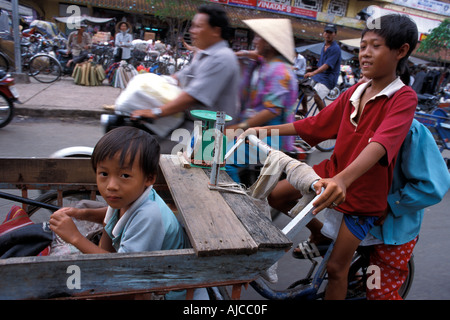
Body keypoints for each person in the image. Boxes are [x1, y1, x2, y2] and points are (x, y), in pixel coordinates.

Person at [239, 14, 419, 299]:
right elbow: (314, 125)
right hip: (330, 176)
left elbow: (381, 143)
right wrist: (259, 130)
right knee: (275, 195)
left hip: (361, 196)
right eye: (362, 46)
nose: (365, 54)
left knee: (337, 269)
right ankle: (321, 235)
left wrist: (343, 180)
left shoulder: (403, 97)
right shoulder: (353, 92)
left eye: (375, 46)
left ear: (401, 51)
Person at [49, 127, 207, 299]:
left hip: (169, 291)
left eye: (124, 175)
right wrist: (82, 213)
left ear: (149, 179)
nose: (111, 185)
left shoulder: (149, 215)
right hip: (139, 272)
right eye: (104, 173)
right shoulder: (127, 197)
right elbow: (112, 220)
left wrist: (75, 238)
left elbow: (123, 269)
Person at [131, 4, 240, 128]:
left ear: (216, 31)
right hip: (190, 122)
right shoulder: (203, 54)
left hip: (209, 131)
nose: (191, 31)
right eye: (192, 26)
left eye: (198, 26)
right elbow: (177, 78)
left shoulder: (223, 58)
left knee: (153, 145)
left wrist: (156, 112)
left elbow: (192, 96)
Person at [226, 19, 298, 183]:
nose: (255, 41)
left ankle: (237, 207)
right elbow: (252, 54)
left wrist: (239, 128)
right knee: (208, 148)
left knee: (224, 161)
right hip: (254, 131)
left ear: (270, 44)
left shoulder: (279, 70)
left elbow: (272, 110)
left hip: (268, 135)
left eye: (259, 37)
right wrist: (237, 54)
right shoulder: (265, 63)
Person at [304, 24, 341, 111]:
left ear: (334, 34)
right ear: (323, 33)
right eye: (326, 32)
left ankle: (324, 118)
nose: (328, 35)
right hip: (319, 76)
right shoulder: (324, 46)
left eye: (330, 33)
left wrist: (313, 73)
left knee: (317, 97)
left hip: (328, 79)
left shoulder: (335, 48)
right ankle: (304, 109)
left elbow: (326, 65)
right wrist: (311, 71)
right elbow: (320, 64)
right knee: (303, 88)